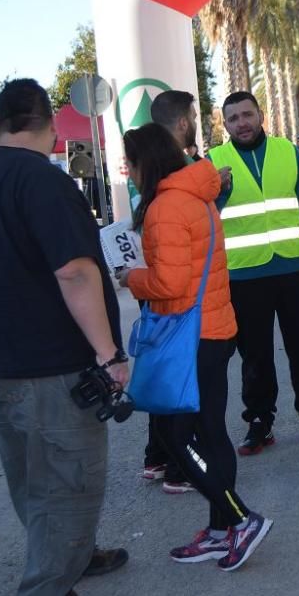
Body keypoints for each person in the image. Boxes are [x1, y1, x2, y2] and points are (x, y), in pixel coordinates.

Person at [0, 79, 129, 595]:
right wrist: (110, 354)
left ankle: (73, 557)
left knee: (32, 479)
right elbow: (74, 271)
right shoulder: (44, 182)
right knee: (69, 484)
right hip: (47, 368)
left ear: (2, 122)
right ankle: (52, 579)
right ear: (50, 122)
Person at [119, 123, 272, 571]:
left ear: (146, 162)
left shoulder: (166, 206)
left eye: (129, 161)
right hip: (212, 328)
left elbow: (168, 282)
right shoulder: (196, 195)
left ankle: (241, 521)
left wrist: (129, 277)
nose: (127, 170)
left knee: (176, 436)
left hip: (188, 335)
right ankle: (222, 529)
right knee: (209, 432)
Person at [209, 92, 299, 455]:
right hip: (242, 275)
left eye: (247, 114)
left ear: (261, 115)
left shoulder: (287, 151)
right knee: (254, 354)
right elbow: (204, 217)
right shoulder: (214, 162)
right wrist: (217, 193)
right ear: (226, 124)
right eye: (234, 118)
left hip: (294, 270)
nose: (242, 123)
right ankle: (258, 421)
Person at [133, 89, 209, 493]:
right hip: (185, 306)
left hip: (170, 304)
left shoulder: (158, 177)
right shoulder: (187, 177)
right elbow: (173, 278)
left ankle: (160, 456)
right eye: (194, 116)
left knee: (162, 377)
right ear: (183, 122)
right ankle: (179, 463)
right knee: (178, 385)